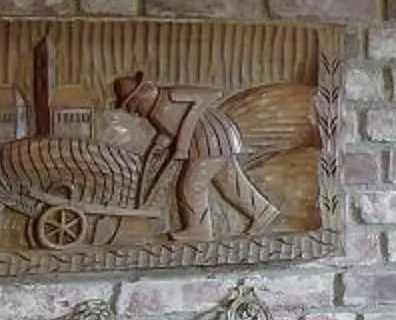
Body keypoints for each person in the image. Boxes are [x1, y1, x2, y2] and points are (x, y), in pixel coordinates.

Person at [112, 72, 278, 242]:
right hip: (207, 143)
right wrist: (163, 141)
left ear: (145, 92)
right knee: (229, 183)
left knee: (191, 186)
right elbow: (173, 124)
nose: (134, 111)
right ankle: (262, 212)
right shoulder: (155, 113)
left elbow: (212, 95)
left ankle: (199, 230)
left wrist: (183, 138)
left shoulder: (172, 95)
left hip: (210, 138)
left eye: (133, 104)